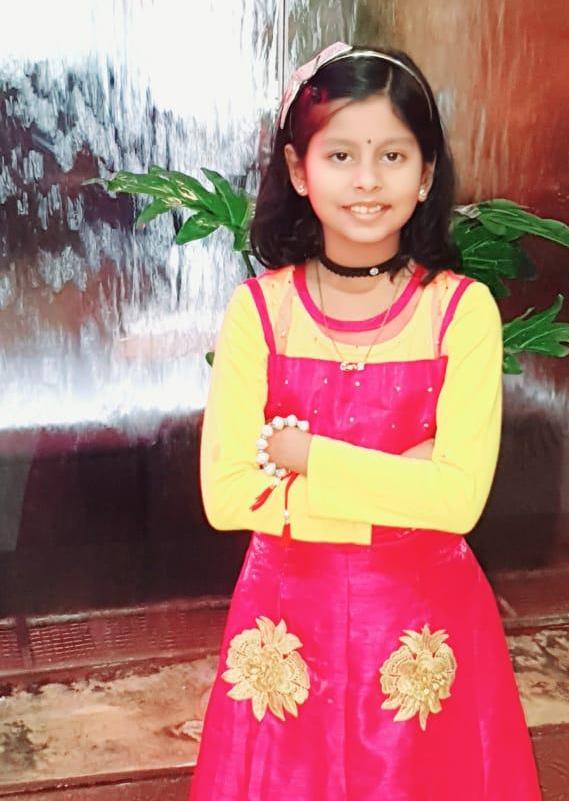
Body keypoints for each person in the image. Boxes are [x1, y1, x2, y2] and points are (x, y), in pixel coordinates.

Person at [188, 41, 542, 801]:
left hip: (421, 630)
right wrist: (402, 488)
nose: (366, 180)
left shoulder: (461, 313)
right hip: (286, 628)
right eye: (341, 154)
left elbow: (458, 502)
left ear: (426, 174)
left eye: (392, 155)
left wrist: (307, 455)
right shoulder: (259, 312)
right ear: (298, 169)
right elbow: (227, 496)